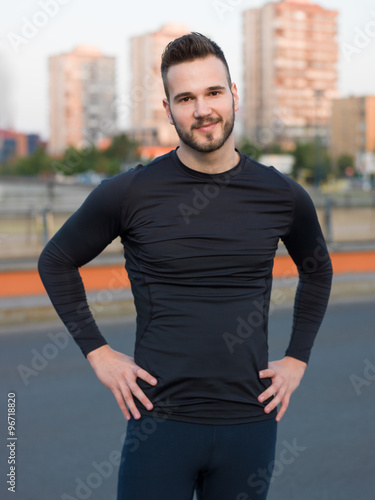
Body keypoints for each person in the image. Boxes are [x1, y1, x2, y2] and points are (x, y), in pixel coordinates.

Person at [38, 32, 333, 500]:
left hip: (250, 425)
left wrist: (297, 359)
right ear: (168, 107)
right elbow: (55, 260)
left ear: (233, 95)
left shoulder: (281, 194)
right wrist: (99, 353)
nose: (203, 109)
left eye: (213, 92)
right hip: (160, 424)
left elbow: (317, 268)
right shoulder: (130, 192)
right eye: (186, 98)